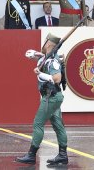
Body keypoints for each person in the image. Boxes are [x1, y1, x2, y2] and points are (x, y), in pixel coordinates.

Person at [16, 33, 68, 166]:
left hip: (50, 97)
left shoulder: (53, 61)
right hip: (53, 96)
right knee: (58, 125)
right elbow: (42, 58)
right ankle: (62, 155)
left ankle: (31, 155)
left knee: (38, 123)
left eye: (45, 42)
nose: (43, 44)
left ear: (49, 44)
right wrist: (36, 54)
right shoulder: (47, 57)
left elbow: (57, 78)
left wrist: (41, 74)